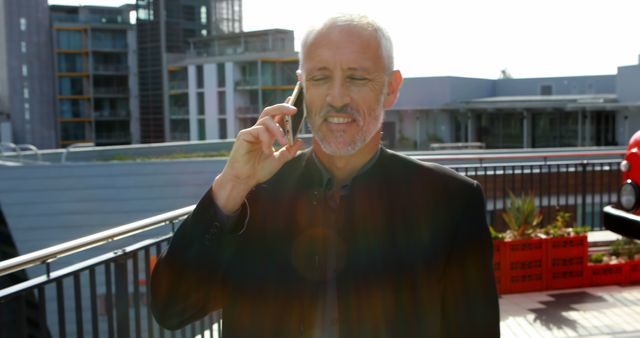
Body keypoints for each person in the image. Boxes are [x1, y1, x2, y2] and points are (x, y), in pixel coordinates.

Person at [150, 14, 500, 337]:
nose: (336, 97)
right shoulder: (253, 195)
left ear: (390, 88)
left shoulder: (450, 201)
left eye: (356, 77)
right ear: (301, 90)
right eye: (319, 78)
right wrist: (232, 185)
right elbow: (171, 309)